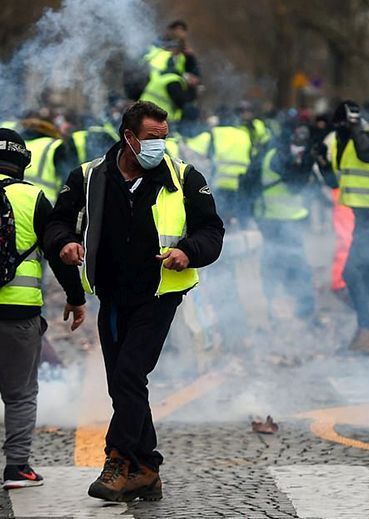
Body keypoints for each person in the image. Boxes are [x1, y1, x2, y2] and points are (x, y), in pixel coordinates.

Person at [45, 101, 224, 502]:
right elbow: (58, 222)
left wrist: (189, 252)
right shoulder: (88, 177)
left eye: (164, 137)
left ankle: (118, 458)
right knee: (122, 384)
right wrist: (66, 244)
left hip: (158, 295)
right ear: (128, 137)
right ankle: (147, 467)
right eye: (151, 138)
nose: (159, 145)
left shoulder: (185, 178)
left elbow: (212, 230)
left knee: (129, 373)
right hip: (111, 296)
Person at [0, 129, 86, 490]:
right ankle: (17, 469)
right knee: (19, 395)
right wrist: (76, 297)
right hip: (17, 316)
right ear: (23, 161)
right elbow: (57, 248)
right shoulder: (33, 197)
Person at [317, 100, 369, 354]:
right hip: (363, 217)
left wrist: (356, 128)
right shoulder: (341, 142)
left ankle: (368, 331)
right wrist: (324, 164)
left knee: (353, 272)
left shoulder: (365, 135)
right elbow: (336, 182)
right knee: (368, 273)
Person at [252, 124, 318, 324]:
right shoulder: (278, 156)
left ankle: (298, 310)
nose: (299, 147)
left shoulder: (279, 153)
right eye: (297, 142)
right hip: (275, 220)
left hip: (288, 219)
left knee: (288, 264)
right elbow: (295, 185)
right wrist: (307, 162)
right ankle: (288, 310)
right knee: (287, 264)